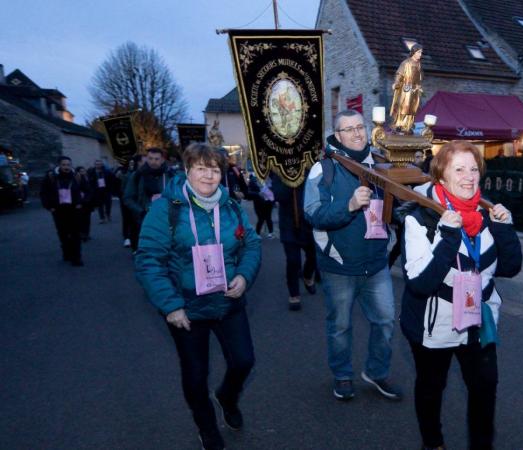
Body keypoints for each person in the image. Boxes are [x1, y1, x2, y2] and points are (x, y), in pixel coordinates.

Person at [134, 143, 261, 450]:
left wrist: (244, 276)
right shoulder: (166, 208)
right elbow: (148, 259)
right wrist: (171, 305)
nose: (208, 175)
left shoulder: (231, 206)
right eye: (201, 168)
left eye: (215, 169)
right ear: (187, 170)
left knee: (244, 361)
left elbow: (252, 246)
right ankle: (207, 428)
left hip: (227, 300)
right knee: (195, 374)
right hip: (186, 307)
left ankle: (227, 397)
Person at [399, 141, 522, 450]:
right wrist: (448, 236)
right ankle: (433, 442)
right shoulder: (420, 218)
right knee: (431, 386)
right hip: (433, 322)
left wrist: (504, 228)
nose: (469, 177)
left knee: (484, 388)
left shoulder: (486, 211)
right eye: (459, 169)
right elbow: (420, 283)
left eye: (473, 169)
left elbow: (509, 267)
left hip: (477, 318)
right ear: (441, 177)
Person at [304, 109, 402, 401]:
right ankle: (342, 375)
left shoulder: (381, 165)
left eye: (360, 127)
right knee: (341, 326)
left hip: (375, 263)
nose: (357, 133)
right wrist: (347, 206)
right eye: (348, 129)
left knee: (385, 320)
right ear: (337, 136)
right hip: (339, 265)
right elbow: (313, 214)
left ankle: (376, 371)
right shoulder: (324, 169)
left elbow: (390, 211)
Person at [270, 171, 317, 311]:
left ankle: (308, 275)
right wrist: (291, 181)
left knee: (314, 256)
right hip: (289, 225)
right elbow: (278, 196)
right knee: (293, 261)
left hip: (309, 224)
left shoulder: (311, 171)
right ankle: (294, 294)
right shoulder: (280, 173)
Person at [39, 156, 90, 266]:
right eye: (63, 165)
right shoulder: (51, 177)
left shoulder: (77, 176)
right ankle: (66, 251)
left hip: (74, 209)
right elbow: (44, 193)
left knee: (75, 233)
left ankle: (76, 258)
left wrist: (81, 202)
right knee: (63, 233)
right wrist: (49, 206)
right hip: (58, 209)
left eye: (68, 164)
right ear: (59, 165)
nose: (66, 167)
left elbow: (87, 191)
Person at [123, 148, 174, 251]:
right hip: (144, 221)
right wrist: (140, 211)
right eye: (150, 158)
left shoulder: (170, 176)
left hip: (166, 221)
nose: (153, 162)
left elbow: (179, 199)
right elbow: (128, 198)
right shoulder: (137, 175)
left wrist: (173, 206)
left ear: (162, 160)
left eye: (156, 159)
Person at [390, 44, 423, 133]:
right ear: (414, 52)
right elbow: (399, 74)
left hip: (415, 90)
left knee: (413, 108)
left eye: (421, 52)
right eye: (419, 52)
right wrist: (396, 82)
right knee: (404, 106)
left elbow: (419, 78)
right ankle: (400, 124)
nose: (420, 54)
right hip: (406, 88)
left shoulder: (419, 64)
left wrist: (419, 87)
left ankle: (408, 125)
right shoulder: (406, 62)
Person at [87, 159, 116, 224]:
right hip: (97, 191)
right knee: (100, 205)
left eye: (99, 164)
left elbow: (112, 179)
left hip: (106, 190)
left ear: (102, 164)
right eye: (97, 164)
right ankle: (102, 218)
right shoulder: (92, 171)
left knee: (108, 204)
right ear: (95, 165)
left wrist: (111, 188)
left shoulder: (107, 171)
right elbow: (89, 180)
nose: (98, 165)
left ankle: (108, 214)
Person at [75, 166, 93, 242]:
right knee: (81, 219)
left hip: (87, 202)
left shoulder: (88, 178)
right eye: (81, 171)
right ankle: (82, 234)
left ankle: (86, 233)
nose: (83, 172)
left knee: (87, 219)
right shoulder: (77, 180)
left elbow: (90, 190)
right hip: (81, 202)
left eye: (84, 171)